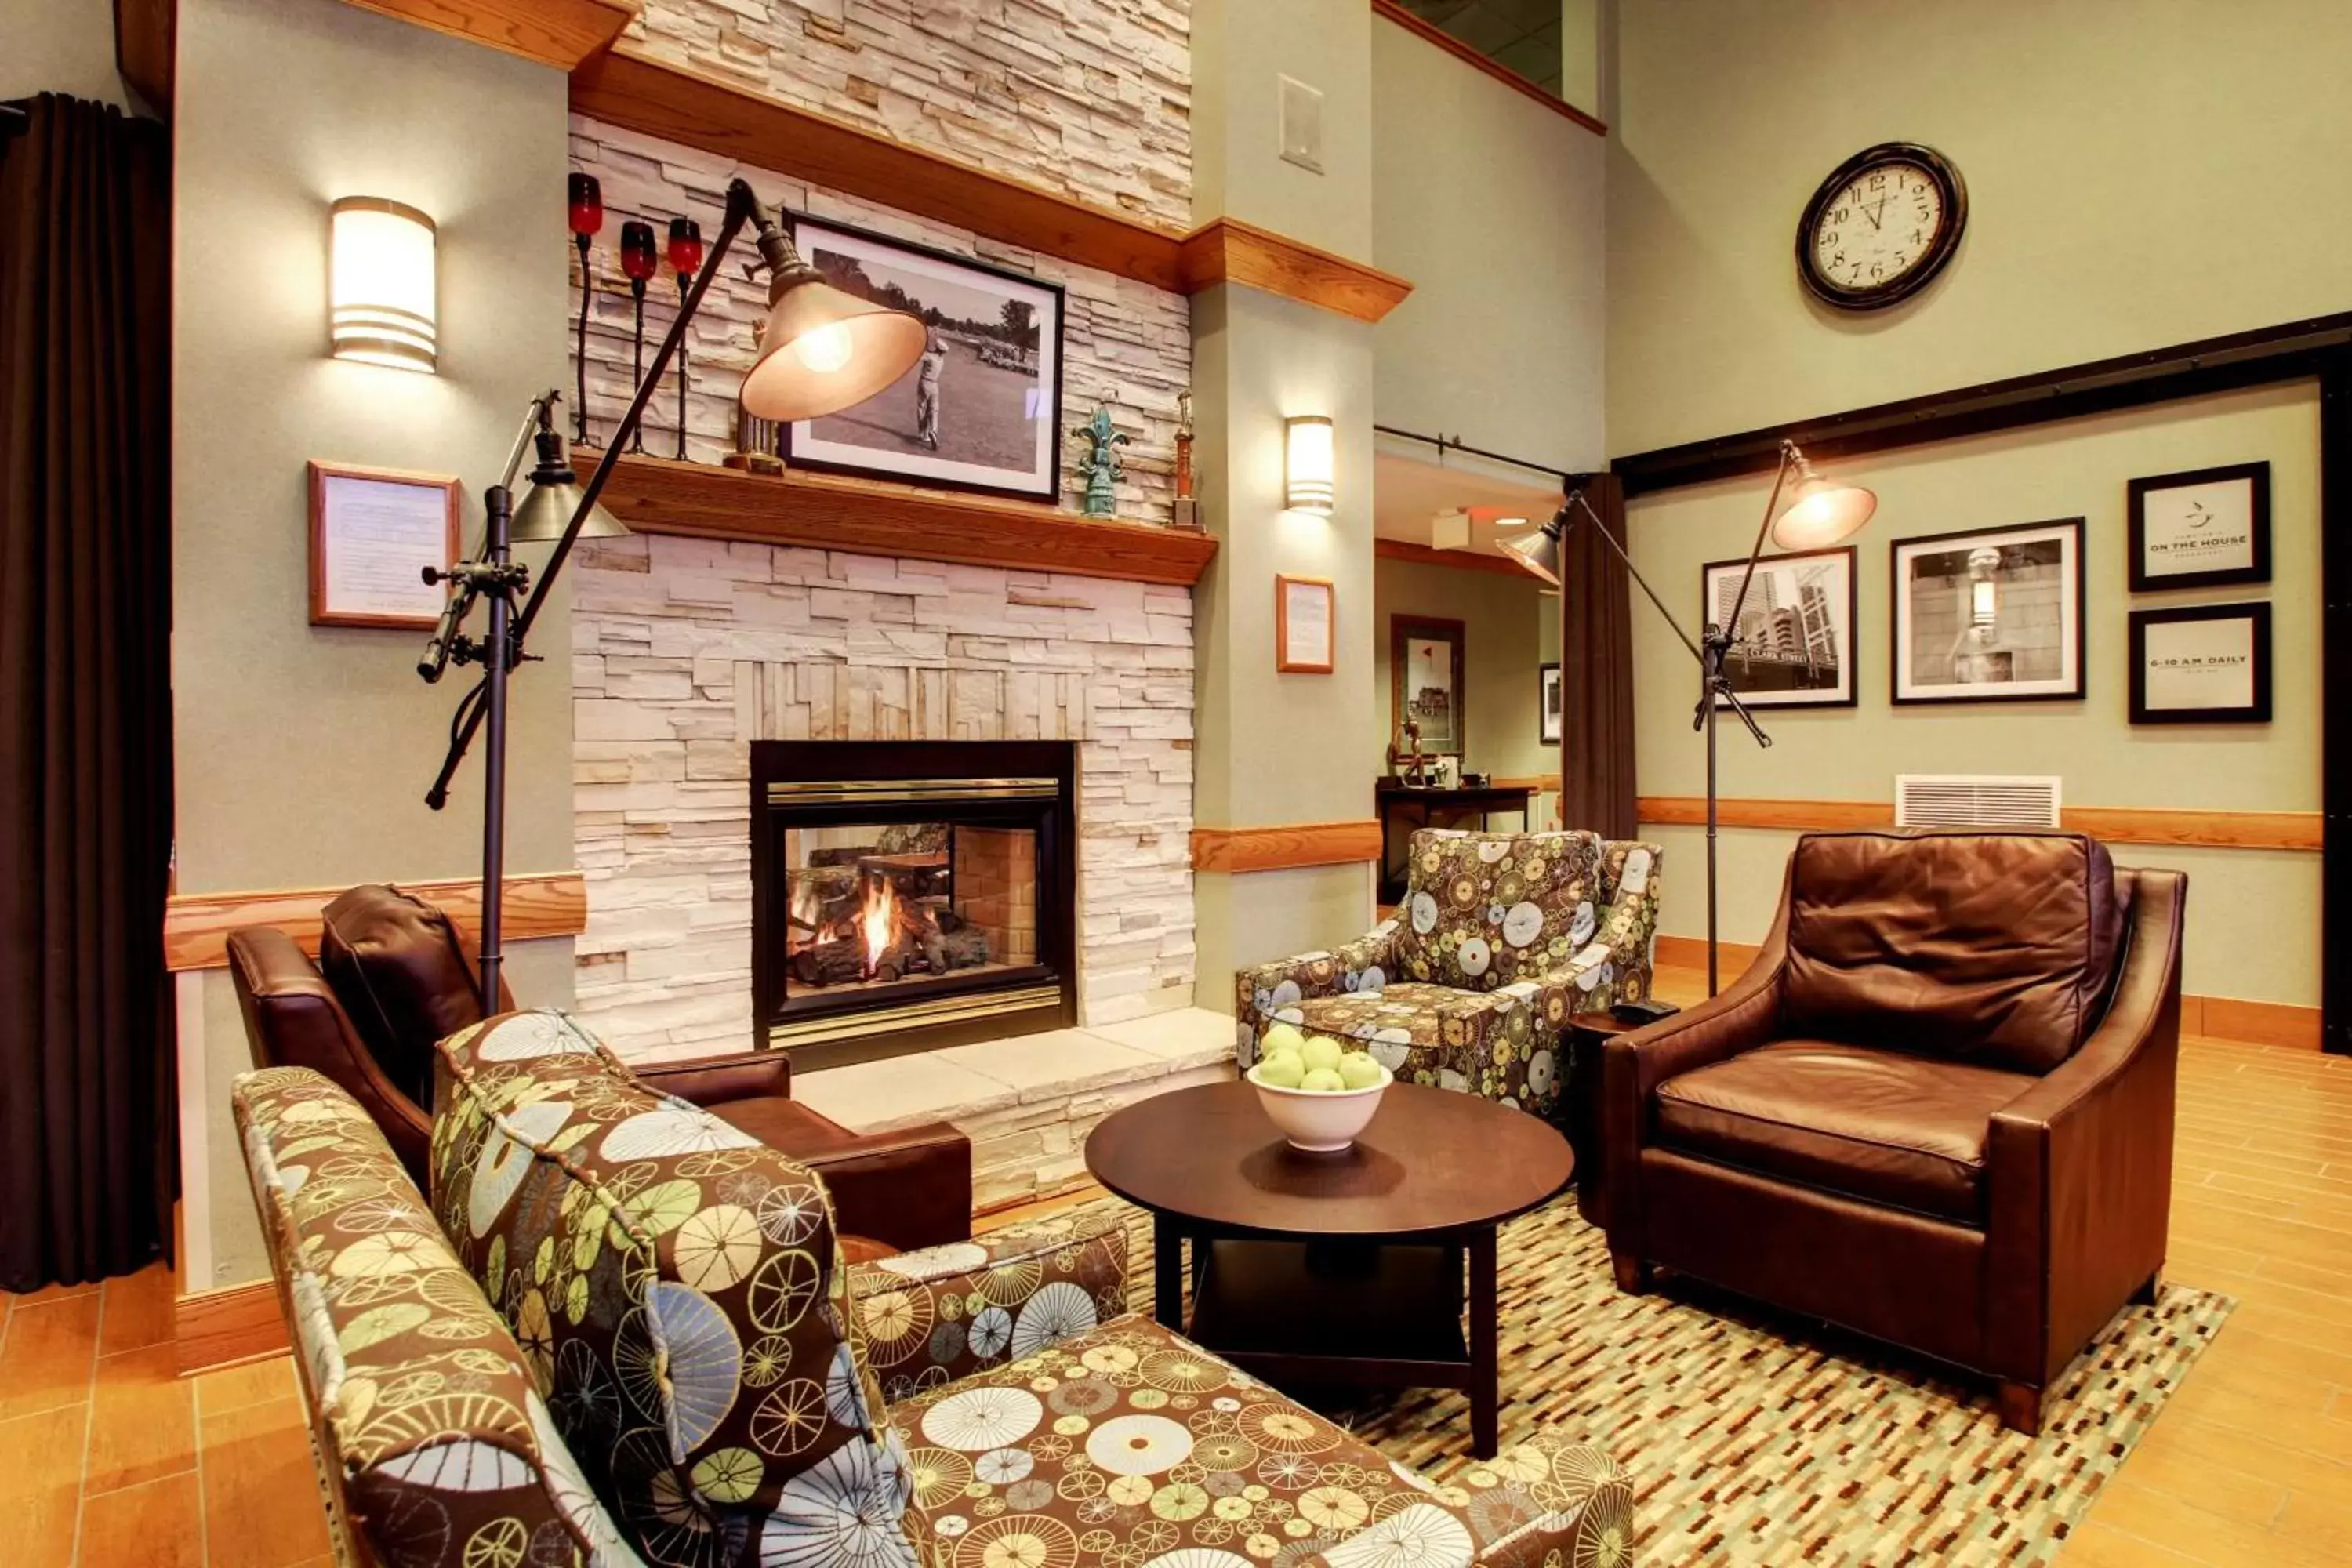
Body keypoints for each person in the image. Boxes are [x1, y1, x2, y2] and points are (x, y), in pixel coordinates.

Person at [915, 329, 947, 450]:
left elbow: (918, 356)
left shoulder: (929, 356)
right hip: (935, 385)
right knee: (934, 410)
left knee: (922, 407)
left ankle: (923, 434)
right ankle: (933, 430)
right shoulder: (941, 360)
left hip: (924, 382)